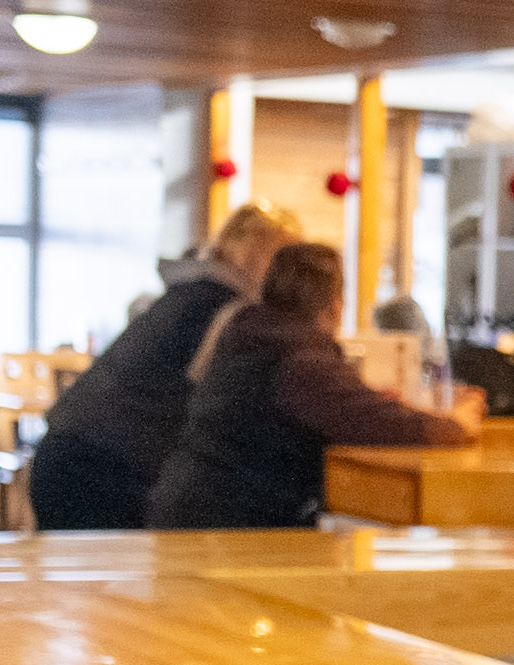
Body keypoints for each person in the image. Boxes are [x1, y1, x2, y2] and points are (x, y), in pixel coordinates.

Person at [143, 243, 475, 529]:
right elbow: (382, 423)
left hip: (193, 510)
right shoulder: (300, 356)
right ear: (334, 305)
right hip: (230, 524)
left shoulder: (253, 333)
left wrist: (365, 399)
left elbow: (342, 408)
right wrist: (455, 424)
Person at [25, 205, 292, 529]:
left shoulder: (185, 294)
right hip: (108, 468)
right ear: (265, 257)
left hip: (63, 451)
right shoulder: (229, 313)